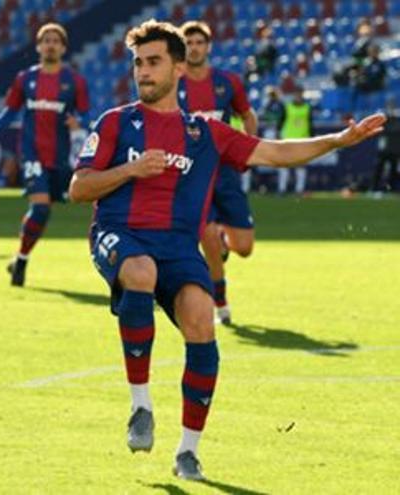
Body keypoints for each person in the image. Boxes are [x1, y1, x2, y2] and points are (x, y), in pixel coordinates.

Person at [69, 19, 383, 481]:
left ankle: (187, 452)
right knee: (139, 272)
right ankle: (140, 406)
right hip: (121, 233)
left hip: (177, 247)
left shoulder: (207, 134)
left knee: (201, 315)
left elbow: (273, 152)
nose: (144, 72)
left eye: (154, 62)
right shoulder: (116, 122)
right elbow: (79, 188)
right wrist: (130, 171)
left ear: (179, 68)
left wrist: (336, 140)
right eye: (139, 63)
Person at [0, 22, 90, 286]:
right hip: (32, 153)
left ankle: (19, 258)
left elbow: (87, 115)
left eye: (56, 40)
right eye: (46, 39)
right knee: (41, 207)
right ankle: (21, 261)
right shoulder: (25, 79)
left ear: (64, 47)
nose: (51, 44)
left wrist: (81, 125)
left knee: (49, 210)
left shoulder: (74, 81)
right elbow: (10, 112)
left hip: (62, 158)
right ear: (38, 46)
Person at [178, 21, 258, 325]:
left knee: (245, 248)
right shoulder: (173, 83)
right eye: (188, 42)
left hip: (224, 172)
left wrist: (248, 150)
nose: (194, 47)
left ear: (208, 47)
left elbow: (247, 115)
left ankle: (226, 240)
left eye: (199, 42)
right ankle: (220, 299)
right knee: (206, 233)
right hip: (191, 175)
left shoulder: (228, 82)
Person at [277, 88, 313, 195]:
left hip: (303, 140)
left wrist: (311, 138)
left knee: (301, 166)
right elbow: (280, 123)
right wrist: (278, 135)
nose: (298, 96)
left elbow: (311, 124)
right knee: (284, 165)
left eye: (300, 94)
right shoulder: (287, 107)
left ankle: (299, 189)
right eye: (296, 94)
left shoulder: (307, 108)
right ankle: (282, 189)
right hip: (287, 139)